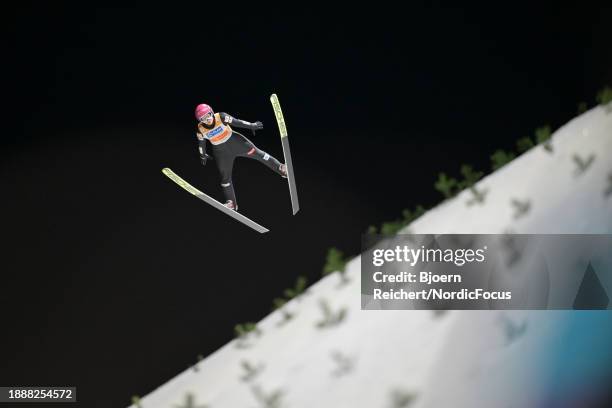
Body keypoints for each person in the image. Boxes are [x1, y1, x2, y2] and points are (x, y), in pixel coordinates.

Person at [194, 103, 287, 211]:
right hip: (222, 153)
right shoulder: (200, 129)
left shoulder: (221, 117)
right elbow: (201, 143)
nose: (208, 119)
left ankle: (281, 168)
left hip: (236, 143)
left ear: (212, 112)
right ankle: (232, 203)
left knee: (260, 154)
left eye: (208, 115)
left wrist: (251, 125)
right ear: (200, 120)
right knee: (225, 178)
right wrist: (202, 154)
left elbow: (237, 122)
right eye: (203, 118)